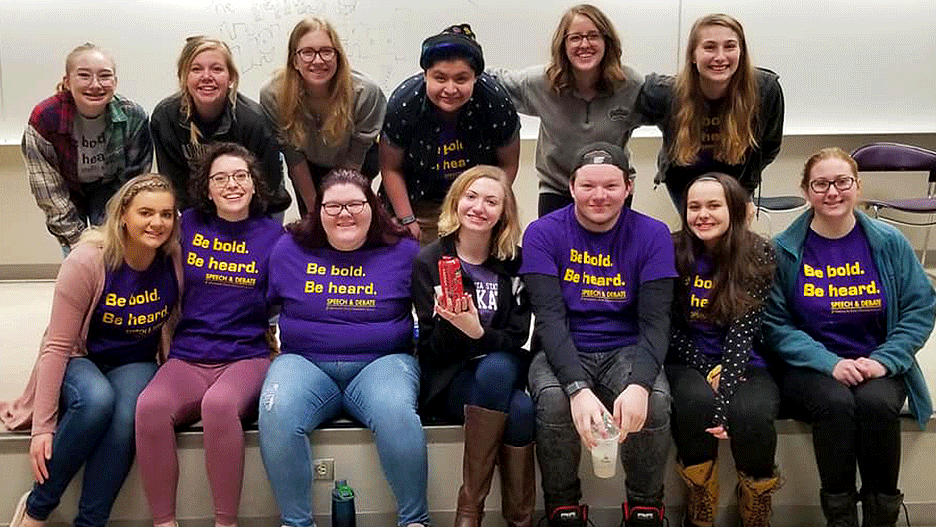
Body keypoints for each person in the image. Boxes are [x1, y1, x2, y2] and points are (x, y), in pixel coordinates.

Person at [763, 148, 935, 527]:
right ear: (806, 191)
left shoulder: (889, 242)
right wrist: (830, 363)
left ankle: (881, 516)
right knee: (835, 404)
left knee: (876, 405)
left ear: (857, 186)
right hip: (810, 367)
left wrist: (885, 360)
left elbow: (920, 309)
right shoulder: (784, 249)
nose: (832, 192)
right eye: (820, 184)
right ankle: (840, 518)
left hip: (878, 360)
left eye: (842, 182)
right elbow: (775, 324)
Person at [2, 173, 181, 527]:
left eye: (166, 214)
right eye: (146, 213)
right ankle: (38, 508)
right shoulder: (86, 261)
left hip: (136, 360)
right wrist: (42, 427)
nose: (157, 223)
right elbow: (56, 346)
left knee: (128, 416)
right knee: (97, 401)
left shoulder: (172, 259)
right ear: (123, 216)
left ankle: (91, 521)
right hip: (80, 358)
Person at [259, 169, 428, 527]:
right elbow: (266, 308)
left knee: (396, 412)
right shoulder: (289, 248)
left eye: (355, 204)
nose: (344, 213)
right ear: (318, 210)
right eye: (333, 205)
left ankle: (415, 520)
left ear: (374, 207)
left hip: (382, 362)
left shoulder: (404, 250)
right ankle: (296, 523)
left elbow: (428, 317)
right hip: (304, 362)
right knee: (276, 411)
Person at [520, 142, 675, 527]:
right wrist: (576, 388)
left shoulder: (653, 235)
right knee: (555, 403)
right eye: (588, 186)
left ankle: (644, 509)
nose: (599, 196)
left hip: (628, 346)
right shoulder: (542, 233)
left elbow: (656, 322)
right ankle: (563, 509)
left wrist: (639, 384)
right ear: (571, 187)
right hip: (563, 345)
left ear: (629, 187)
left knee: (654, 401)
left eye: (610, 186)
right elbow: (550, 320)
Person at [135, 143, 283, 527]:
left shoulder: (274, 235)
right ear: (207, 188)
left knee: (218, 407)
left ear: (253, 185)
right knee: (149, 408)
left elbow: (287, 297)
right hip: (189, 353)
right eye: (220, 178)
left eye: (240, 176)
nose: (231, 185)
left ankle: (225, 522)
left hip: (245, 355)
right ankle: (163, 521)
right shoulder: (186, 224)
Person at [412, 166, 534, 527]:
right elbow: (432, 350)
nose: (479, 207)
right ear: (456, 201)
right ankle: (518, 519)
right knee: (522, 410)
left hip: (504, 360)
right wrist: (455, 327)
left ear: (504, 212)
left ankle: (469, 512)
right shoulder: (430, 261)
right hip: (453, 376)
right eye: (471, 196)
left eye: (491, 201)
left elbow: (518, 337)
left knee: (496, 368)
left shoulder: (517, 262)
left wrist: (478, 331)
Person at [667, 173, 780, 527]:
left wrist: (726, 388)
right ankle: (700, 503)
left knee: (754, 413)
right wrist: (708, 371)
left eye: (714, 205)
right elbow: (669, 329)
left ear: (733, 208)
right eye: (694, 206)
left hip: (746, 358)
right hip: (688, 358)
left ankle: (756, 503)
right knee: (694, 404)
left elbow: (743, 331)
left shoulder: (757, 251)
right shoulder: (671, 250)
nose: (703, 214)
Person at [493, 4, 644, 217]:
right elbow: (491, 81)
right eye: (575, 38)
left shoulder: (630, 85)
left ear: (606, 41)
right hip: (557, 190)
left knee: (610, 251)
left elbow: (668, 109)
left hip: (610, 191)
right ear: (563, 44)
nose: (585, 44)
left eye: (593, 36)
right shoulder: (540, 83)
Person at [381, 24, 520, 244]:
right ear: (425, 75)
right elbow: (391, 168)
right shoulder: (404, 104)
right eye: (440, 78)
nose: (450, 89)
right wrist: (407, 219)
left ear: (476, 77)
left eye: (461, 79)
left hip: (473, 201)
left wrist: (486, 206)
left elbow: (507, 165)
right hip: (418, 200)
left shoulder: (496, 102)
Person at [634, 13, 783, 210]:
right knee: (698, 236)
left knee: (730, 239)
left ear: (741, 52)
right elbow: (621, 101)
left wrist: (745, 192)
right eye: (709, 47)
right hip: (683, 185)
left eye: (730, 46)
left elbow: (769, 146)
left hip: (734, 184)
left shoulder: (765, 90)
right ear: (693, 56)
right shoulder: (666, 93)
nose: (720, 57)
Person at [23, 43, 153, 252]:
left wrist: (114, 232)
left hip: (110, 187)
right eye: (84, 76)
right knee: (80, 256)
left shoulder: (133, 116)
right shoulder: (45, 118)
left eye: (104, 76)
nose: (95, 85)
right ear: (67, 82)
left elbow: (133, 184)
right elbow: (49, 191)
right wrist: (78, 243)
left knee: (115, 251)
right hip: (67, 189)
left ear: (115, 81)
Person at [261, 17, 386, 216]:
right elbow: (293, 156)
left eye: (326, 51)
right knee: (314, 221)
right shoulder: (274, 95)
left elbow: (357, 154)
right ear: (294, 60)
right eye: (307, 53)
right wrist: (314, 211)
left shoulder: (365, 93)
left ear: (338, 56)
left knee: (349, 214)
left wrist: (338, 204)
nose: (318, 60)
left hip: (355, 160)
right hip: (307, 163)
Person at [151, 36, 290, 214]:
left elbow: (267, 185)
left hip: (256, 207)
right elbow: (175, 184)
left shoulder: (253, 121)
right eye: (196, 69)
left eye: (217, 69)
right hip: (197, 208)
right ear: (184, 77)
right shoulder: (165, 118)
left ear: (231, 78)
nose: (206, 77)